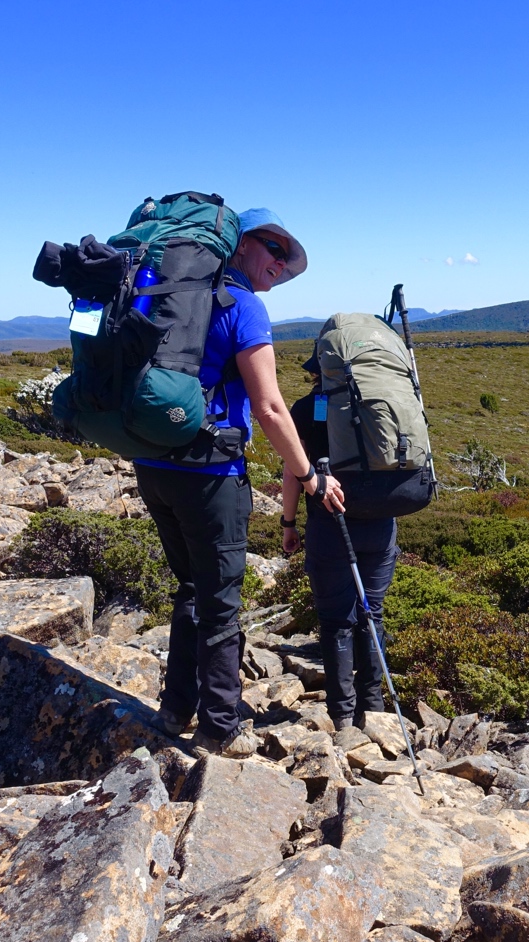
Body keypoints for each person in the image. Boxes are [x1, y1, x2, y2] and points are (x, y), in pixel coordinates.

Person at [137, 208, 343, 757]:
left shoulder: (166, 293)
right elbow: (271, 408)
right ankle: (220, 726)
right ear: (239, 243)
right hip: (210, 474)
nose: (279, 262)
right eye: (271, 248)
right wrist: (309, 476)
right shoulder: (243, 307)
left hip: (153, 464)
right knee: (220, 600)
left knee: (190, 587)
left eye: (285, 257)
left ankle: (175, 708)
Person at [282, 363, 398, 731]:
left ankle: (343, 717)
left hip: (329, 523)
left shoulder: (304, 408)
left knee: (336, 621)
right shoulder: (382, 402)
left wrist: (288, 523)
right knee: (372, 613)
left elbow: (292, 471)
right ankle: (375, 710)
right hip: (381, 523)